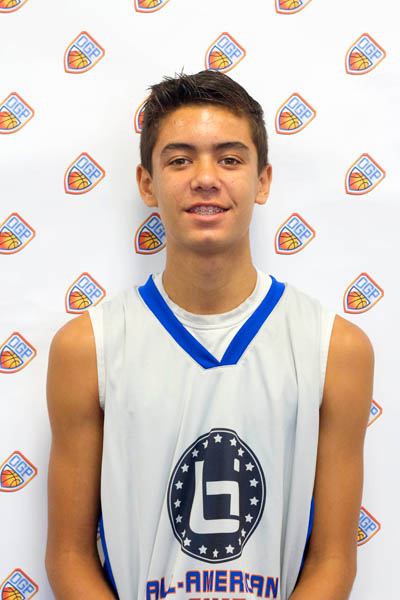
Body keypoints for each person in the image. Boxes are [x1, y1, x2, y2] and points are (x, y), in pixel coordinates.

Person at [45, 70, 374, 600]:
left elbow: (333, 558)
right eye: (179, 160)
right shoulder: (88, 347)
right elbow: (69, 555)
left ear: (263, 181)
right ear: (147, 183)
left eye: (229, 159)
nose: (205, 178)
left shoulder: (334, 349)